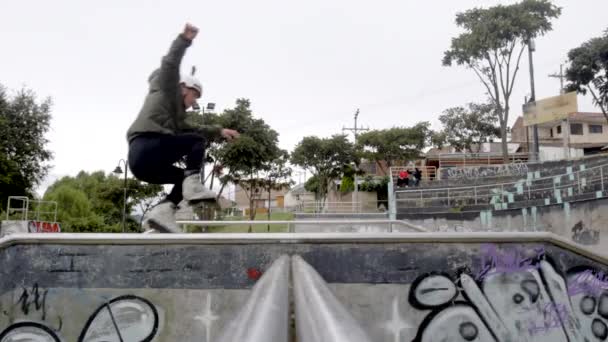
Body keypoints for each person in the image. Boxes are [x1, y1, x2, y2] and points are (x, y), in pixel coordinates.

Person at [126, 23, 239, 233]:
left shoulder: (177, 115)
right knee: (196, 142)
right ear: (183, 87)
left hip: (143, 165)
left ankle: (163, 211)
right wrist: (184, 40)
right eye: (193, 95)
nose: (193, 101)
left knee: (181, 175)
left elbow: (195, 125)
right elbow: (170, 63)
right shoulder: (167, 89)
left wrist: (220, 131)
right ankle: (193, 185)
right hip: (145, 145)